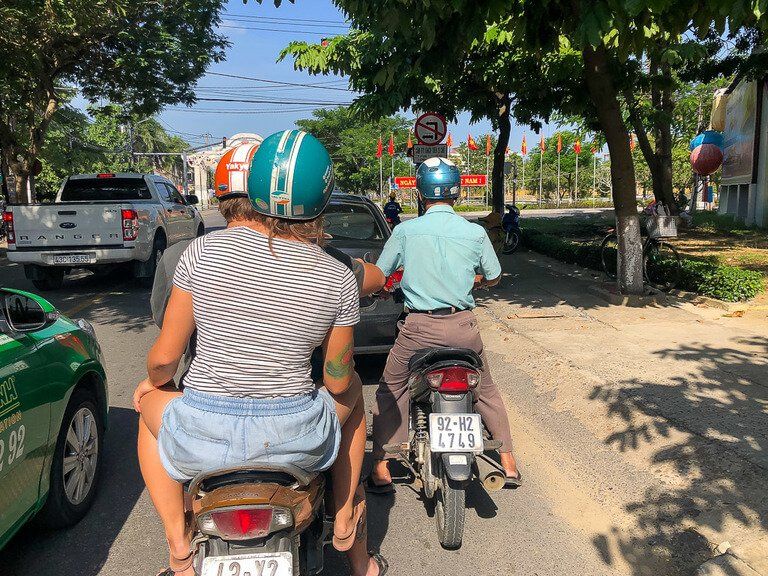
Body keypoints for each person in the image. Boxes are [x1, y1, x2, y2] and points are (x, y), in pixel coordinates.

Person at [134, 130, 386, 576]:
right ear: (323, 196)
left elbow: (164, 360)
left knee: (145, 407)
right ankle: (344, 515)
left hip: (202, 433)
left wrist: (152, 386)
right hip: (296, 437)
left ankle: (178, 547)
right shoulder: (336, 275)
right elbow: (337, 379)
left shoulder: (200, 251)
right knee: (356, 396)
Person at [368, 156, 522, 493]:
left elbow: (380, 275)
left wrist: (383, 286)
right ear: (457, 192)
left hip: (418, 329)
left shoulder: (405, 231)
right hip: (464, 328)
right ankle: (508, 460)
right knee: (485, 389)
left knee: (392, 387)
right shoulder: (474, 232)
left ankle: (382, 465)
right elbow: (494, 276)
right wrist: (475, 282)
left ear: (421, 193)